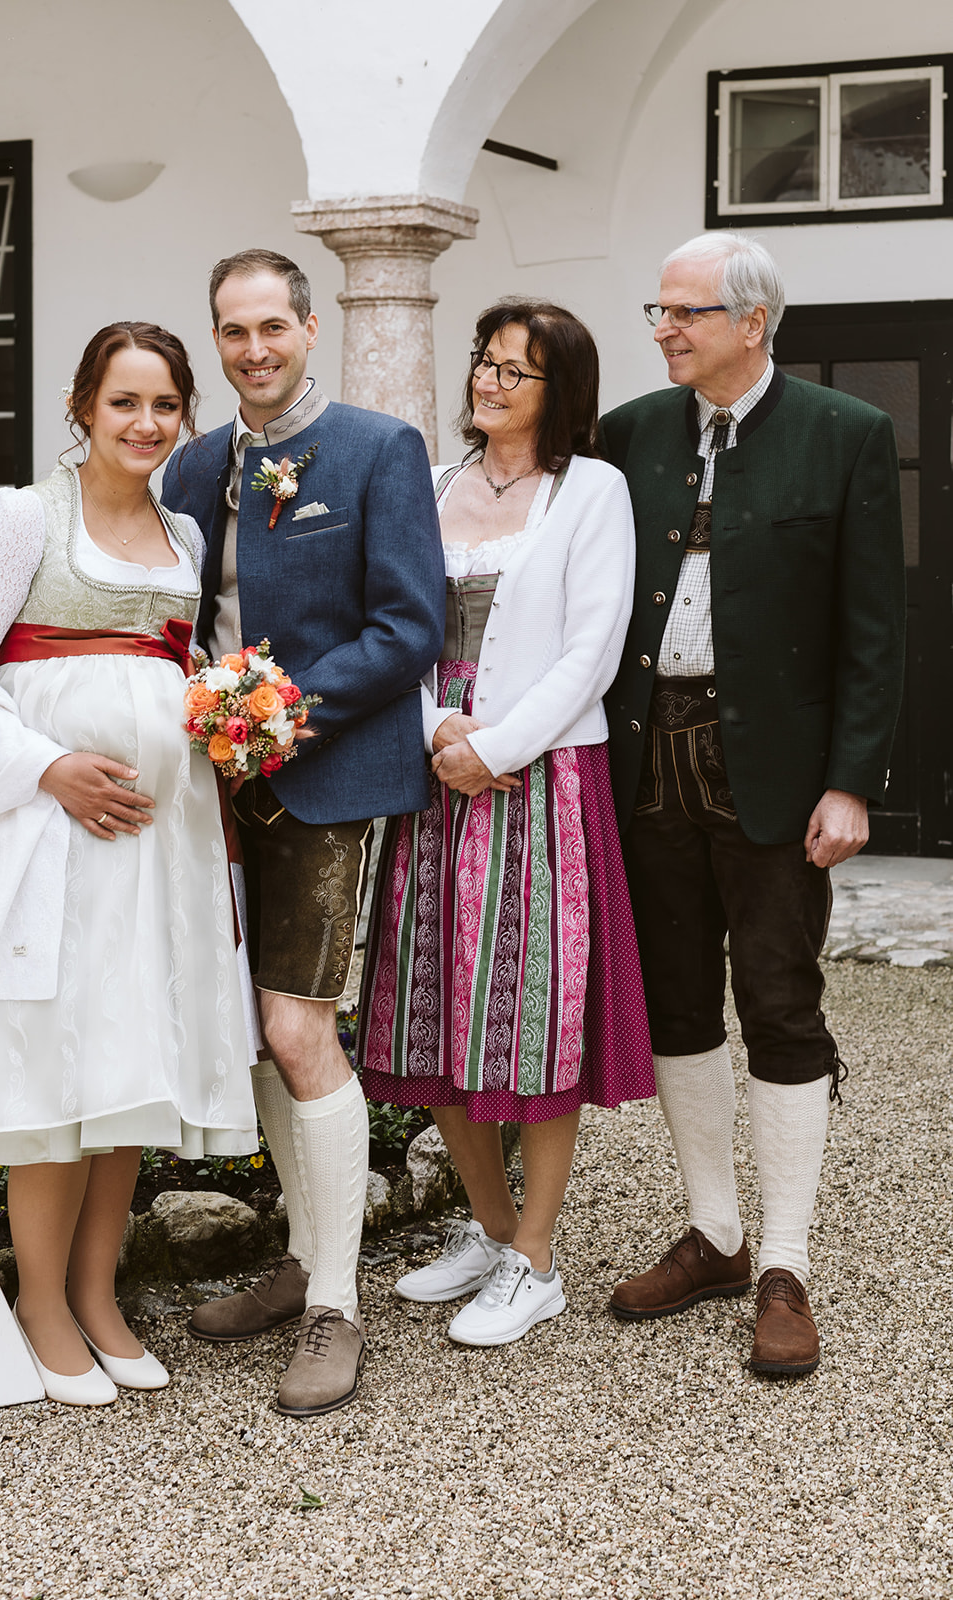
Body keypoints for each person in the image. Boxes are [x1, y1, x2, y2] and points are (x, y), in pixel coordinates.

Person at [0, 322, 260, 1406]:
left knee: (130, 1062)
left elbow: (174, 669)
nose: (145, 425)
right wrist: (49, 765)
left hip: (163, 845)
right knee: (59, 1062)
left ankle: (99, 1295)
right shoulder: (19, 521)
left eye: (164, 406)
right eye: (123, 404)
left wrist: (228, 722)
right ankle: (41, 1304)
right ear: (82, 408)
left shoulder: (185, 535)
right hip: (55, 838)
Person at [599, 233, 905, 1375]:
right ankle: (714, 1233)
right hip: (648, 761)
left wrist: (851, 780)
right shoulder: (630, 432)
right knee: (676, 1001)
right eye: (658, 309)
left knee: (777, 1001)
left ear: (753, 322)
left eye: (685, 312)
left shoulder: (846, 435)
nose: (664, 328)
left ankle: (783, 1261)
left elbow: (873, 631)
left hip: (776, 771)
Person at [161, 249, 444, 1416]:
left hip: (325, 776)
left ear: (311, 328)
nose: (253, 349)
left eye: (271, 326)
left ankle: (335, 1302)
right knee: (250, 1028)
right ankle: (298, 1252)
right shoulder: (188, 465)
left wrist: (282, 712)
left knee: (296, 1021)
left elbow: (408, 623)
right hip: (209, 788)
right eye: (232, 332)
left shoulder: (380, 449)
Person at [356, 298, 655, 1348]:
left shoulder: (591, 491)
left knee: (531, 1017)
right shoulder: (428, 486)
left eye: (514, 371)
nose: (488, 381)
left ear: (557, 389)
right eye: (484, 362)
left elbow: (592, 648)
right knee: (428, 1004)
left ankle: (534, 1256)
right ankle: (486, 1231)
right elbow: (397, 627)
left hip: (540, 781)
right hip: (434, 772)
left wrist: (498, 744)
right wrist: (441, 730)